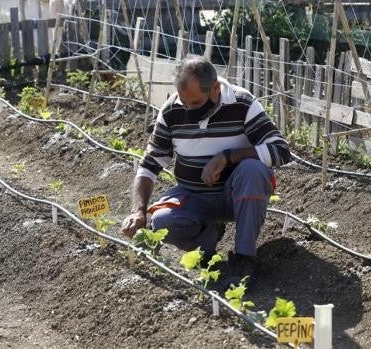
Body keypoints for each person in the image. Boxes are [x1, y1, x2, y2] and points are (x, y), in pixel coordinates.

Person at [120, 57, 291, 289]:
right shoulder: (172, 110)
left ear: (215, 89)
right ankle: (207, 242)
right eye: (184, 102)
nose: (188, 110)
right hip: (195, 197)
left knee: (253, 170)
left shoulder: (242, 104)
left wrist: (229, 156)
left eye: (196, 103)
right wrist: (138, 211)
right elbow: (150, 164)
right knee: (161, 222)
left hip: (236, 197)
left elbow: (281, 150)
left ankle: (244, 258)